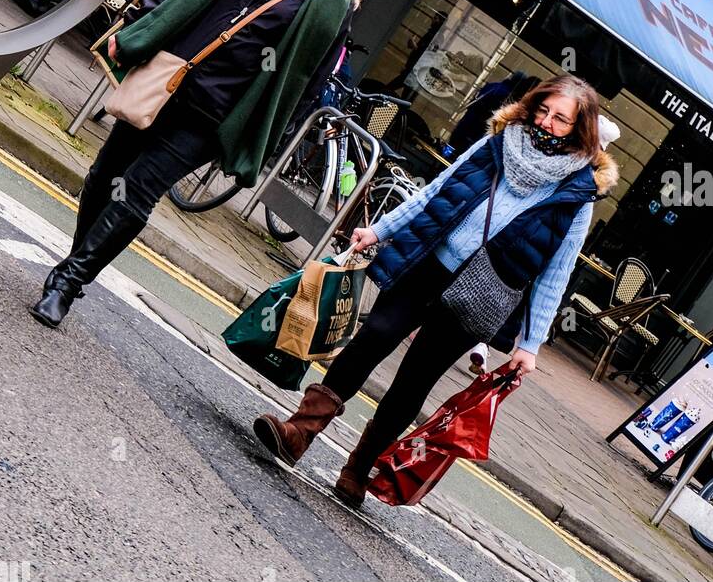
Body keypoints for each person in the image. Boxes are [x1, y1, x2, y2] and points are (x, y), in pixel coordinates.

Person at [252, 75, 619, 509]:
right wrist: (380, 230)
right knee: (373, 337)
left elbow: (555, 273)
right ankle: (300, 432)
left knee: (413, 382)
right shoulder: (498, 144)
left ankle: (358, 467)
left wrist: (530, 344)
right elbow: (434, 193)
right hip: (430, 264)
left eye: (560, 119)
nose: (546, 122)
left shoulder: (579, 194)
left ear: (580, 130)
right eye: (543, 110)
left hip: (480, 294)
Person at [29, 0, 377, 328]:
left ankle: (68, 283)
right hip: (170, 75)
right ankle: (78, 260)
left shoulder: (336, 3)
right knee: (106, 174)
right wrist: (138, 24)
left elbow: (309, 82)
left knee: (138, 189)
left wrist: (270, 135)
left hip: (217, 112)